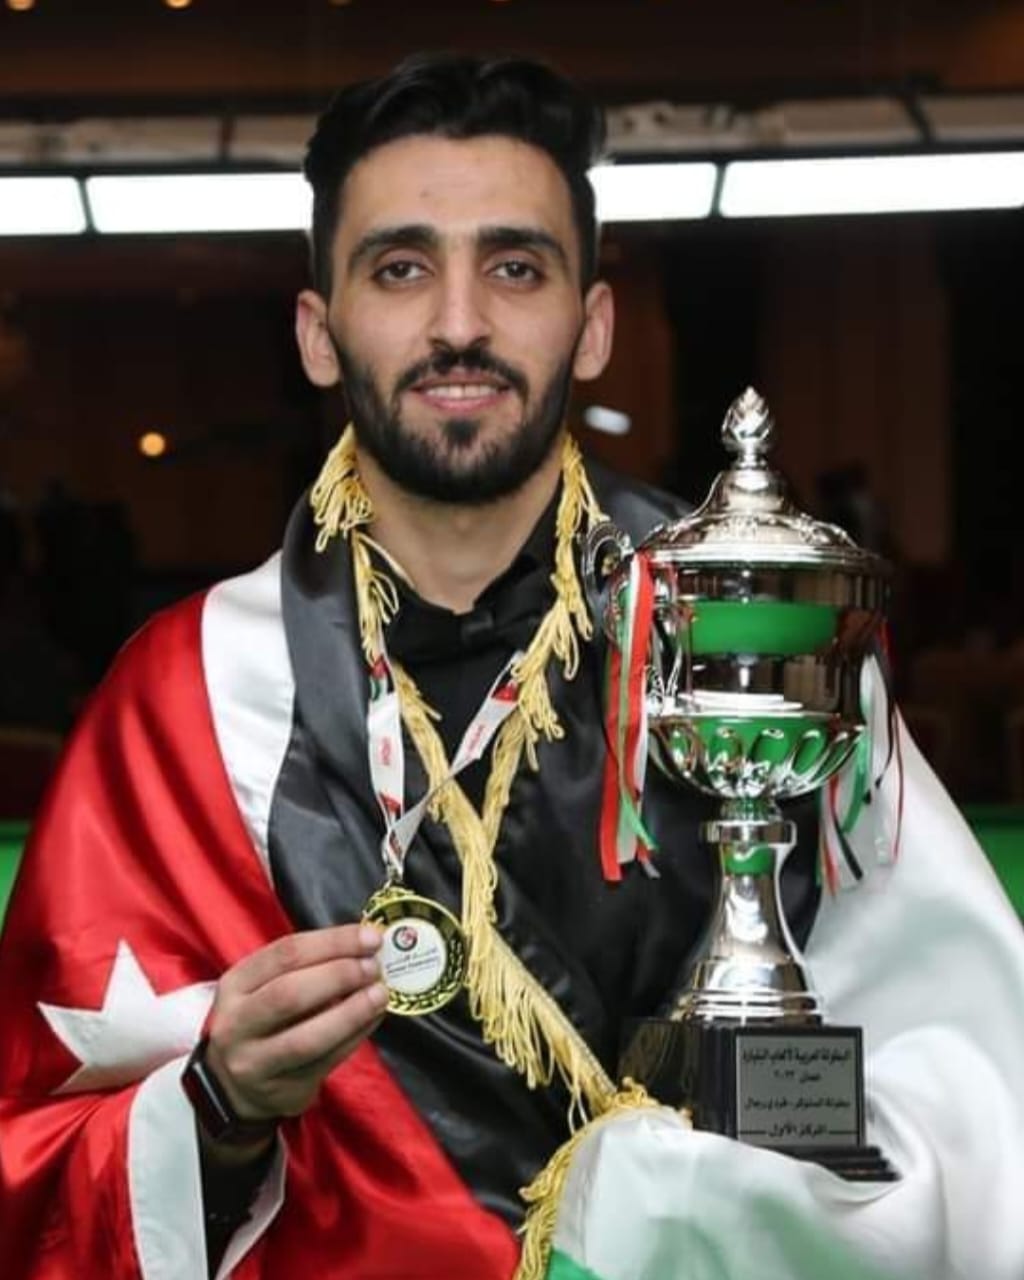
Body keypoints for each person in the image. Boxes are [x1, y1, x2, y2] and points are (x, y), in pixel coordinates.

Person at [1, 53, 1022, 1280]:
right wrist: (216, 1102)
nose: (458, 324)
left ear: (591, 326)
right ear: (318, 333)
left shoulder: (756, 630)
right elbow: (32, 1163)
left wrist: (703, 1201)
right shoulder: (183, 697)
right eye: (400, 267)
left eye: (515, 266)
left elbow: (974, 1084)